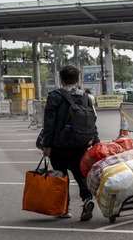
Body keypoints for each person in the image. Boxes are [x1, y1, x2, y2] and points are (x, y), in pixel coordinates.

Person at [42, 65, 100, 220]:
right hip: (81, 143)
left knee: (60, 175)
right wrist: (95, 141)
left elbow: (49, 123)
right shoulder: (85, 96)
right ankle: (87, 199)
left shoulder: (54, 96)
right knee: (81, 174)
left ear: (61, 79)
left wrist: (46, 145)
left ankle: (64, 210)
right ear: (78, 79)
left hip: (59, 145)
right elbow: (92, 121)